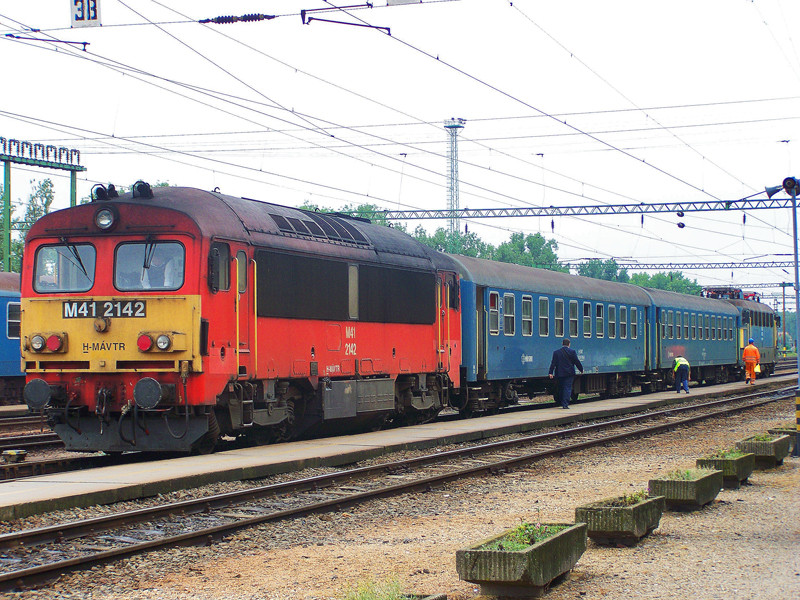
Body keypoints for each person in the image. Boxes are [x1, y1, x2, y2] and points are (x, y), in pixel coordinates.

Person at [548, 339, 584, 409]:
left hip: (559, 373)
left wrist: (550, 372)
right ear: (569, 344)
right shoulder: (572, 352)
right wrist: (581, 369)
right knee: (567, 388)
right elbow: (577, 362)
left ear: (562, 343)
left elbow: (553, 363)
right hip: (569, 373)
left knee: (561, 388)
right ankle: (565, 404)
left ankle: (561, 402)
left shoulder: (556, 352)